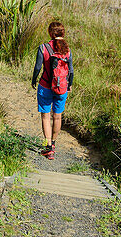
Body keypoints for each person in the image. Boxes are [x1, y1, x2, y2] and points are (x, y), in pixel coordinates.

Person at [31, 20, 73, 160]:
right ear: (62, 33)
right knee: (57, 116)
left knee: (45, 116)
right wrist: (69, 84)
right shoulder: (67, 50)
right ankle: (54, 143)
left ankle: (48, 147)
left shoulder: (43, 48)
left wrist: (33, 79)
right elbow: (71, 71)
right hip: (62, 88)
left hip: (45, 86)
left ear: (50, 33)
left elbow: (37, 67)